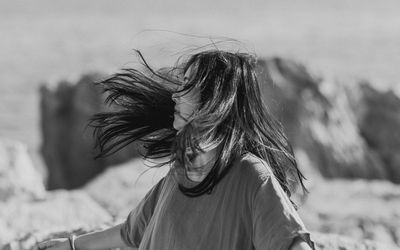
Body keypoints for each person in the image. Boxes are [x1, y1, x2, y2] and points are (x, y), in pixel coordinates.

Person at [35, 48, 316, 250]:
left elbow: (291, 242)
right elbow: (131, 232)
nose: (175, 94)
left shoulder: (250, 175)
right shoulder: (182, 171)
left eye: (187, 86)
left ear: (214, 99)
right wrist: (71, 245)